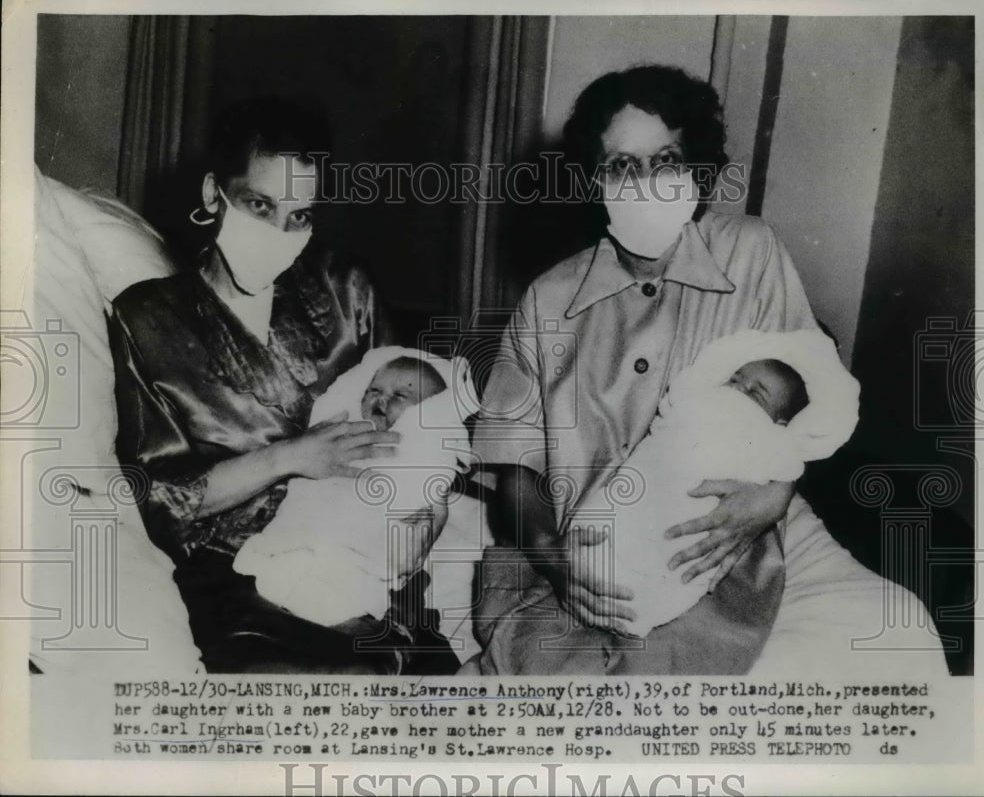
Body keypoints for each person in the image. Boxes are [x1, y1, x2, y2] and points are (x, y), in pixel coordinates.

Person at [467, 65, 823, 675]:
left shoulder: (753, 251)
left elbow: (810, 399)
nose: (647, 184)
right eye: (621, 166)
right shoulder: (547, 299)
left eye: (667, 159)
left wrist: (775, 493)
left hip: (702, 559)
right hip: (567, 559)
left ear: (697, 166)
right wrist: (552, 558)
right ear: (593, 179)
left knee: (649, 725)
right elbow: (515, 470)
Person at [109, 97, 450, 674]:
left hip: (362, 548)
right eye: (259, 206)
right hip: (234, 572)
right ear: (214, 195)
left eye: (299, 216)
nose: (280, 232)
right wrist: (288, 458)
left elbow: (428, 422)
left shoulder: (345, 291)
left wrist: (426, 519)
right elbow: (156, 499)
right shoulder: (146, 318)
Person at [563, 328, 860, 639]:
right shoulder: (699, 399)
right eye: (735, 380)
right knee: (618, 511)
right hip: (654, 479)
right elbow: (672, 410)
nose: (738, 391)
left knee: (679, 551)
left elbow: (788, 464)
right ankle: (594, 562)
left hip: (689, 505)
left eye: (755, 394)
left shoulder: (772, 437)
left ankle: (639, 600)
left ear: (780, 423)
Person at [233, 348, 480, 633]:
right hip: (296, 541)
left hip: (355, 565)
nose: (381, 398)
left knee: (338, 605)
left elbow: (430, 515)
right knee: (274, 581)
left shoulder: (424, 464)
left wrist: (412, 547)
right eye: (373, 389)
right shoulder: (341, 439)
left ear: (430, 414)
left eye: (401, 395)